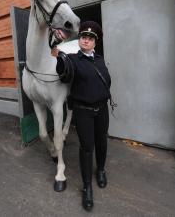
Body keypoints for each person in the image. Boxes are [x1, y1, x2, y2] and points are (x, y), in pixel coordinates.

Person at [51, 21, 111, 211]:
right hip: (83, 111)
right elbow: (64, 74)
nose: (86, 40)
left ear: (95, 42)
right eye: (83, 37)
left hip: (102, 109)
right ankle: (87, 187)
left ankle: (100, 170)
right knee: (87, 148)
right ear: (80, 40)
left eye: (90, 38)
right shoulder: (72, 59)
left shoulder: (100, 59)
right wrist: (58, 58)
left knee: (102, 142)